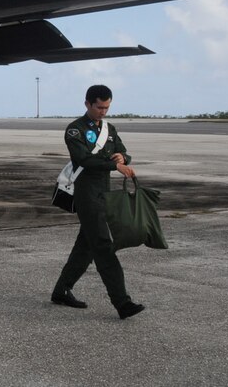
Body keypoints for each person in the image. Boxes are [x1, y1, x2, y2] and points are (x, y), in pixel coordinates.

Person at [51, 84, 145, 320]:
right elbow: (82, 159)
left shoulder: (109, 129)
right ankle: (122, 303)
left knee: (85, 247)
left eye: (107, 107)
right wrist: (114, 165)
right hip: (86, 194)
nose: (103, 112)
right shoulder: (75, 130)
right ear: (87, 104)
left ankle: (61, 291)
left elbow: (124, 151)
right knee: (103, 247)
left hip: (104, 194)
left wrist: (123, 157)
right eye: (99, 107)